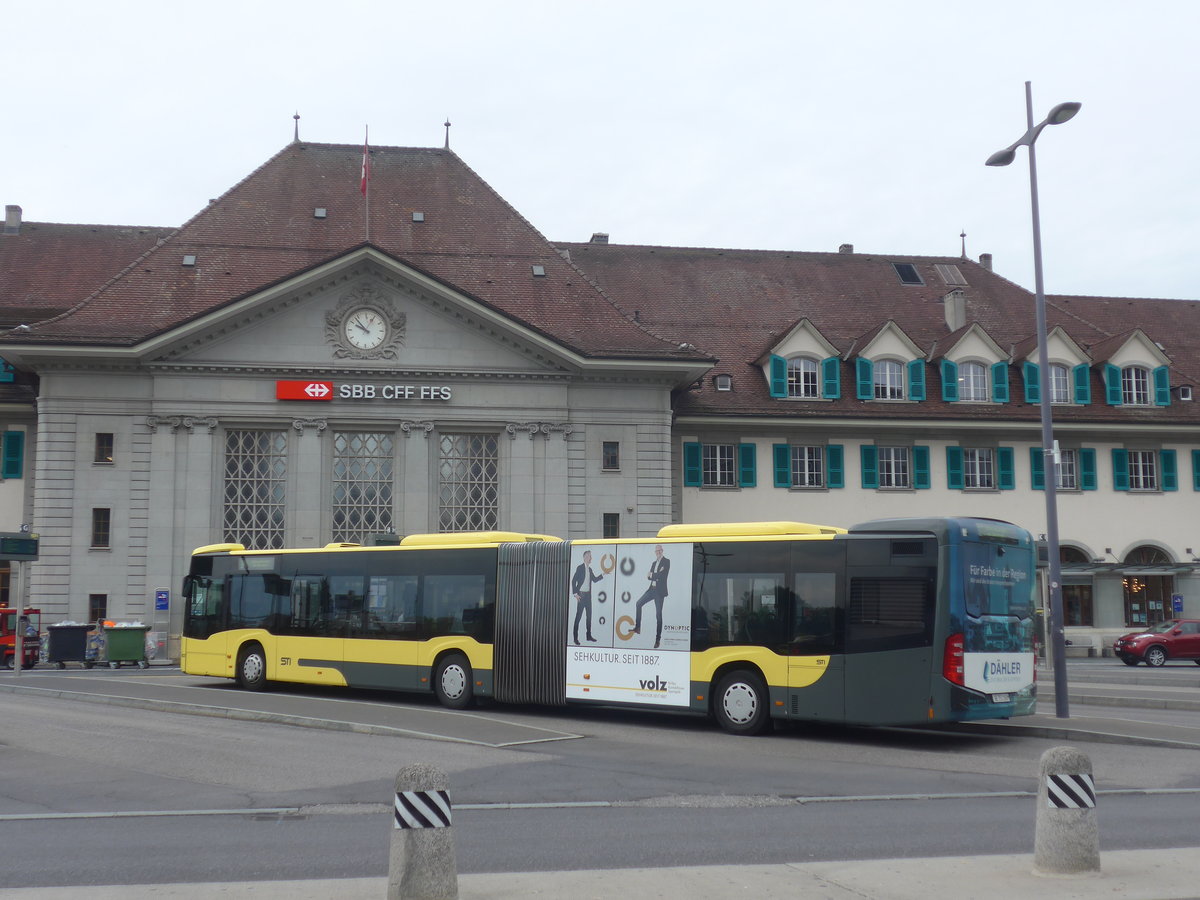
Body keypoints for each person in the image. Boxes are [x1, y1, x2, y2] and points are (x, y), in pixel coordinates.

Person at [634, 544, 671, 649]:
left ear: (662, 551)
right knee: (638, 603)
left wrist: (653, 575)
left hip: (660, 592)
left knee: (658, 615)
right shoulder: (654, 563)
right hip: (652, 590)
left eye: (659, 550)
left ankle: (657, 639)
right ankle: (638, 627)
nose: (658, 552)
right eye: (656, 551)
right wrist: (654, 575)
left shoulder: (666, 561)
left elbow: (663, 576)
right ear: (655, 552)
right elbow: (649, 577)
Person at [571, 550, 602, 645]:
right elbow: (573, 581)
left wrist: (603, 574)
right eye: (589, 556)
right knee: (578, 617)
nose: (591, 558)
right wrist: (575, 594)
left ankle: (588, 636)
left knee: (589, 617)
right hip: (581, 595)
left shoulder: (590, 569)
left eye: (591, 556)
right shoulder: (580, 568)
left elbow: (595, 580)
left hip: (588, 596)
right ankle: (575, 638)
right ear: (585, 557)